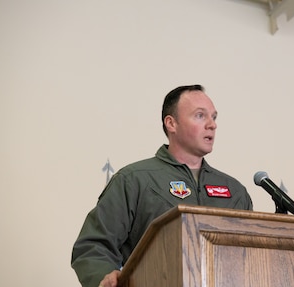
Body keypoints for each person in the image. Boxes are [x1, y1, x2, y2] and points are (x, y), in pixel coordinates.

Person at [71, 85, 253, 287]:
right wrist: (104, 277)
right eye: (200, 116)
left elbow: (250, 259)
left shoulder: (235, 191)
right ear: (171, 123)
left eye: (214, 117)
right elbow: (93, 246)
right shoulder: (134, 180)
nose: (212, 125)